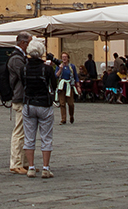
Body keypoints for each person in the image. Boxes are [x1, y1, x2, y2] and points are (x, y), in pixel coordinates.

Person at [20, 42, 57, 178]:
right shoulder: (47, 69)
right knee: (46, 137)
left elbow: (23, 84)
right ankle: (46, 168)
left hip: (29, 104)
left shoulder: (23, 69)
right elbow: (54, 84)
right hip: (44, 104)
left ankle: (31, 167)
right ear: (41, 52)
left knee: (29, 138)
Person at [6, 36, 30, 173]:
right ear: (23, 43)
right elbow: (24, 75)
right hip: (20, 97)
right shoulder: (16, 59)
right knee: (19, 132)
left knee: (26, 131)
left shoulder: (21, 57)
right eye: (29, 43)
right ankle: (15, 163)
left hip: (23, 97)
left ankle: (25, 162)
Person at [55, 52, 77, 125]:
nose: (64, 58)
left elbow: (75, 76)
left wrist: (78, 86)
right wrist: (60, 69)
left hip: (69, 86)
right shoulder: (59, 66)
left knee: (71, 103)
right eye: (62, 57)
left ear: (68, 58)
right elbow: (56, 76)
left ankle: (71, 115)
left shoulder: (72, 67)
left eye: (65, 57)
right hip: (61, 87)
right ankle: (63, 118)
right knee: (62, 103)